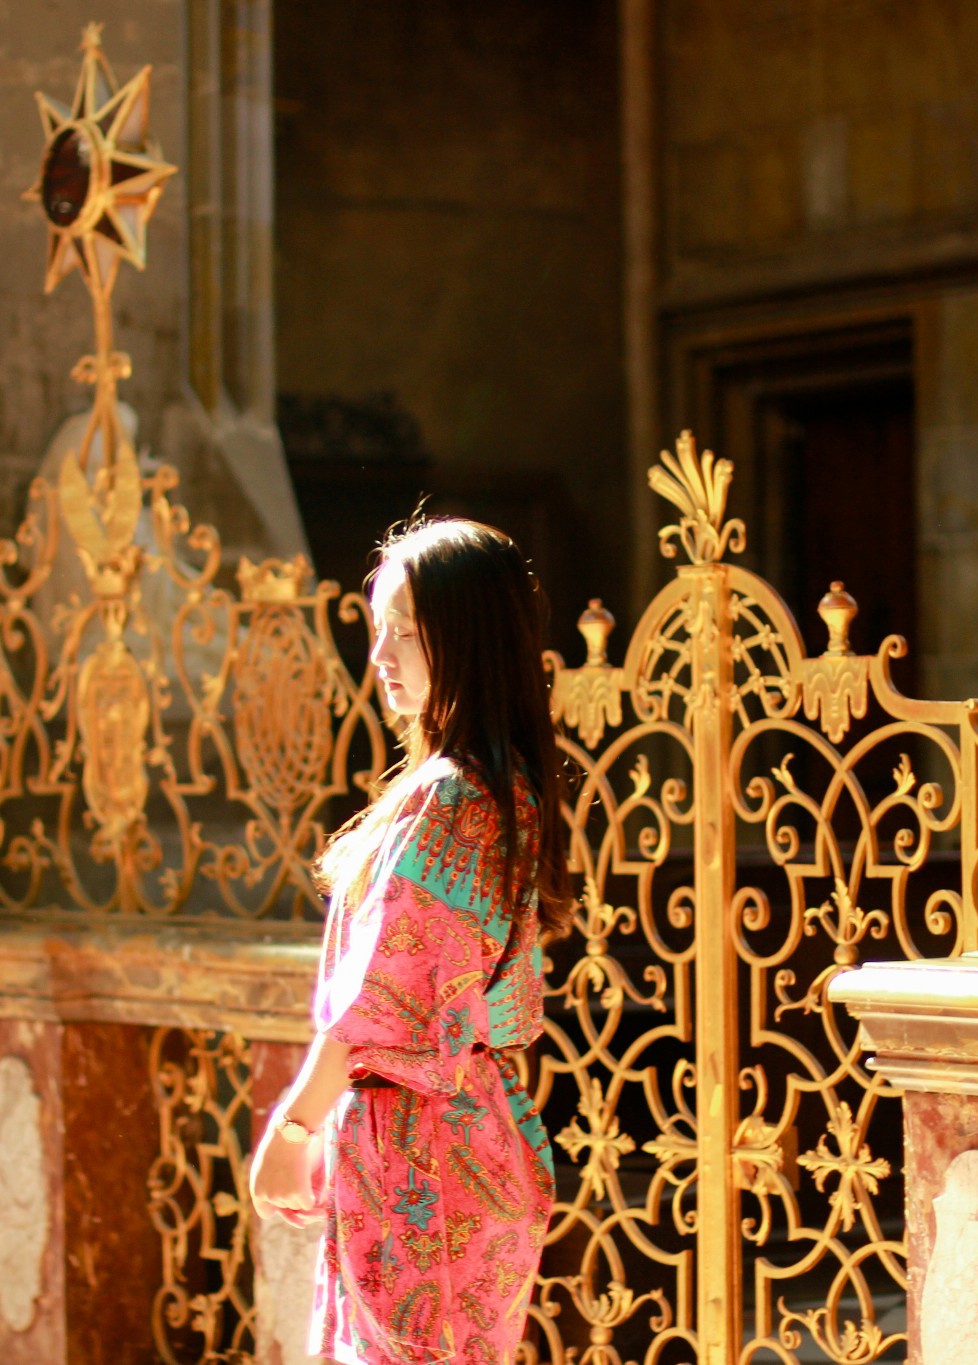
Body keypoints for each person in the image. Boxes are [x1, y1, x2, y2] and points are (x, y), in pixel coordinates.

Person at [247, 517, 573, 1365]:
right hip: (454, 1135)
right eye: (377, 628)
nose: (379, 655)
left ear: (467, 637)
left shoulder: (456, 797)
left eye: (405, 631)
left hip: (422, 1151)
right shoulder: (497, 790)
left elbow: (382, 1000)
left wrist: (293, 1128)